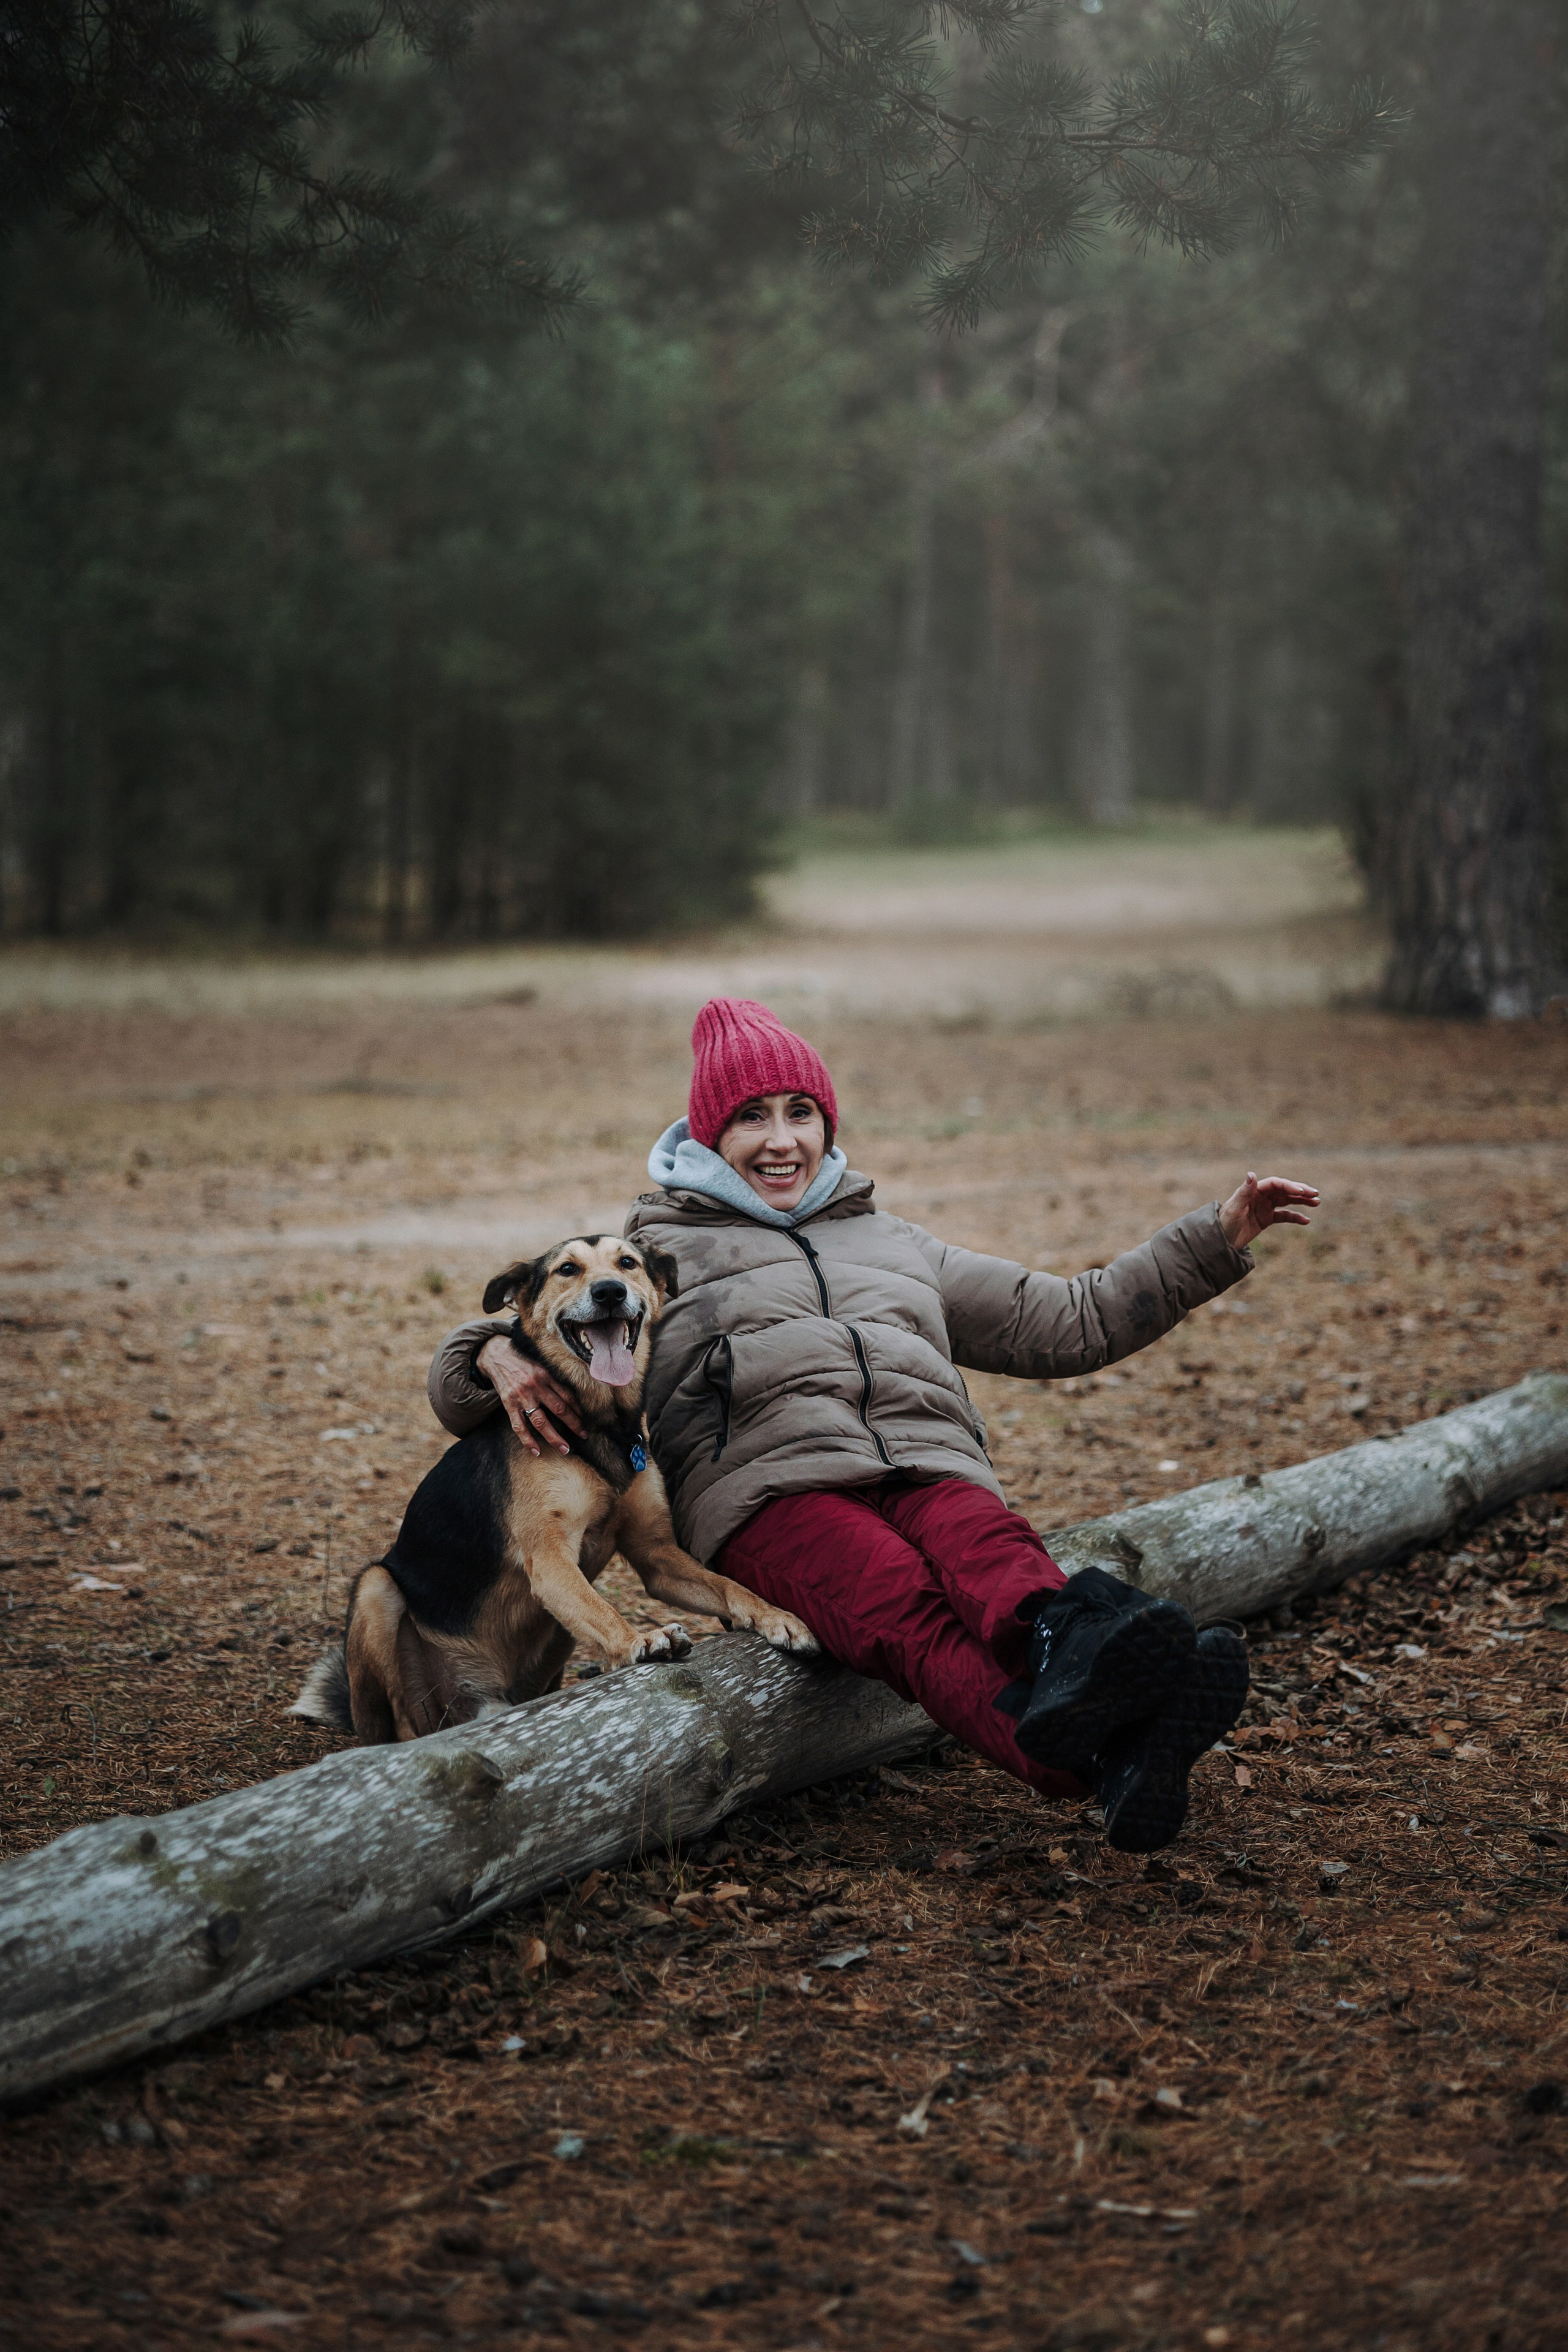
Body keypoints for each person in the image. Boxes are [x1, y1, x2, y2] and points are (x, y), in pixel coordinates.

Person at [429, 999, 1319, 1852]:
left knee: (994, 1552)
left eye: (801, 1113)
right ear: (707, 1135)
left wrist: (1214, 1238)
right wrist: (488, 1353)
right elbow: (548, 1316)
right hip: (773, 1498)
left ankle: (1112, 1704)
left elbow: (1070, 1319)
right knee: (906, 1608)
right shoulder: (659, 1253)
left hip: (928, 1462)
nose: (782, 1140)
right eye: (751, 1118)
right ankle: (1095, 1750)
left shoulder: (893, 1241)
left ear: (827, 1122)